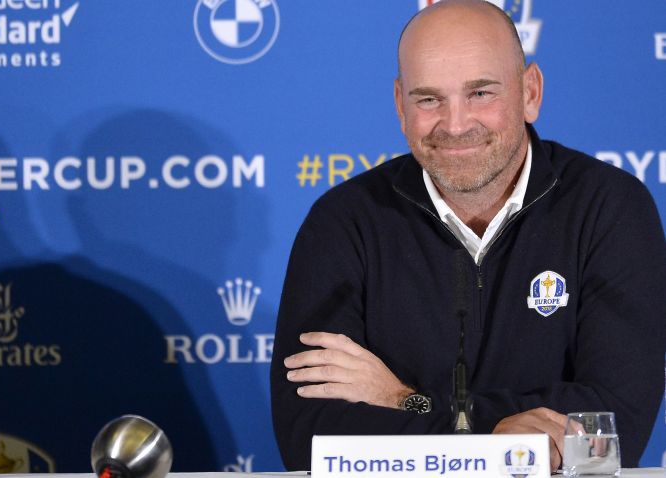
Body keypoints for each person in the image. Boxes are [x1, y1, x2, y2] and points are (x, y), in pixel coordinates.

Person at [270, 0, 666, 472]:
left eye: (481, 93)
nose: (455, 125)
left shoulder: (609, 206)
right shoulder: (342, 221)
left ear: (530, 92)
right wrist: (500, 439)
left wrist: (402, 400)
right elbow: (309, 436)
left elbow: (610, 426)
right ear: (400, 105)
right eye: (429, 99)